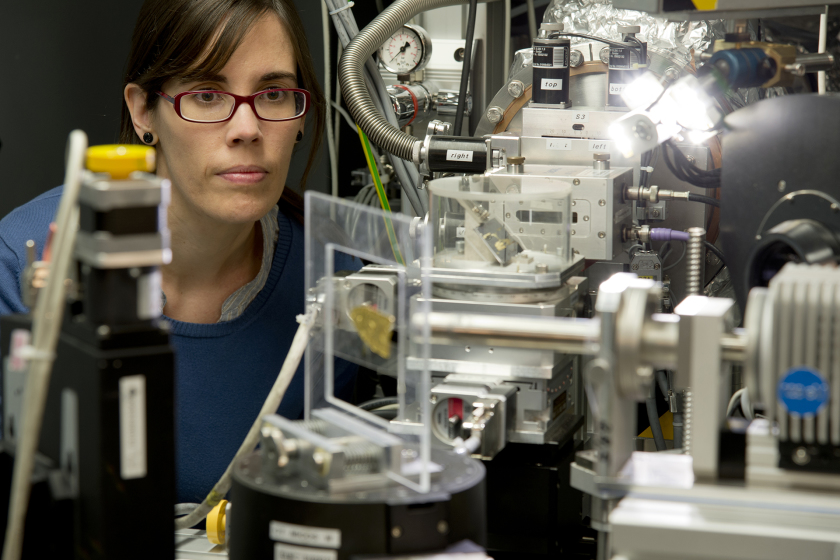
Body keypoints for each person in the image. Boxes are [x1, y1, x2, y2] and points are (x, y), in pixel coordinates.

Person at [0, 0, 357, 504]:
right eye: (208, 94)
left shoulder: (334, 284)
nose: (247, 128)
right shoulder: (20, 265)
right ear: (144, 110)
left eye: (273, 93)